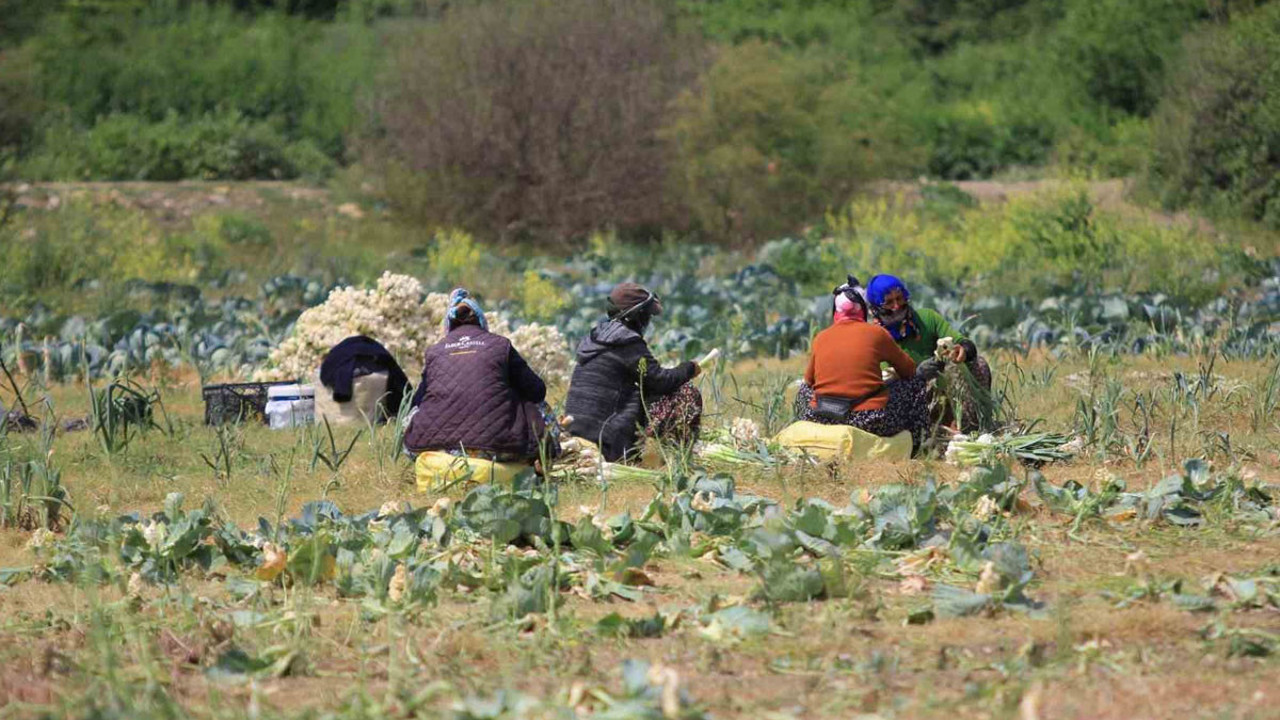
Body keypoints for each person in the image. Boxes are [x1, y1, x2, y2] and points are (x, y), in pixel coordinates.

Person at [403, 289, 555, 463]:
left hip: (428, 449)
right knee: (540, 407)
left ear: (448, 324)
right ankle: (544, 458)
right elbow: (537, 391)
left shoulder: (435, 351)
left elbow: (416, 403)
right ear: (482, 320)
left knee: (414, 413)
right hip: (497, 450)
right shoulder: (500, 345)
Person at [794, 277, 937, 452]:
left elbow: (809, 382)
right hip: (868, 420)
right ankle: (919, 444)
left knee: (803, 389)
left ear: (835, 312)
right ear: (863, 309)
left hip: (824, 416)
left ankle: (805, 426)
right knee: (915, 382)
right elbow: (908, 371)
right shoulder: (877, 333)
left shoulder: (821, 337)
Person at [565, 282, 702, 462]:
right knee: (686, 392)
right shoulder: (627, 342)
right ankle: (680, 457)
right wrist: (689, 368)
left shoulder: (595, 337)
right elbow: (660, 381)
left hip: (575, 431)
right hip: (606, 441)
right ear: (637, 316)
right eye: (647, 315)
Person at [864, 274, 994, 432]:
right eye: (889, 302)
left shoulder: (926, 318)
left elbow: (963, 342)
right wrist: (917, 376)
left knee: (978, 364)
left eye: (899, 298)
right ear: (876, 308)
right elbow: (882, 383)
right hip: (907, 405)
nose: (897, 306)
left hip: (942, 395)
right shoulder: (874, 337)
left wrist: (962, 350)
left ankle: (972, 428)